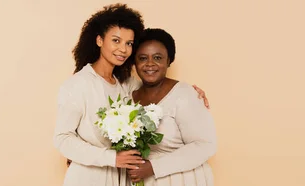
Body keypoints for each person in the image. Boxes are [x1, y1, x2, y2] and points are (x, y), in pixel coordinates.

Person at [54, 4, 209, 186]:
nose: (123, 49)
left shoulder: (127, 83)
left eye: (129, 43)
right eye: (116, 40)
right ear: (99, 40)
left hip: (122, 177)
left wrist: (189, 92)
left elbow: (157, 91)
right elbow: (62, 138)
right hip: (89, 176)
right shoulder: (78, 85)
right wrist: (111, 158)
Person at [126, 28, 217, 186]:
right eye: (142, 58)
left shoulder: (185, 95)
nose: (150, 64)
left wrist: (154, 167)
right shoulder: (129, 97)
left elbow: (205, 145)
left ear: (169, 61)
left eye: (158, 58)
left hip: (184, 179)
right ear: (134, 62)